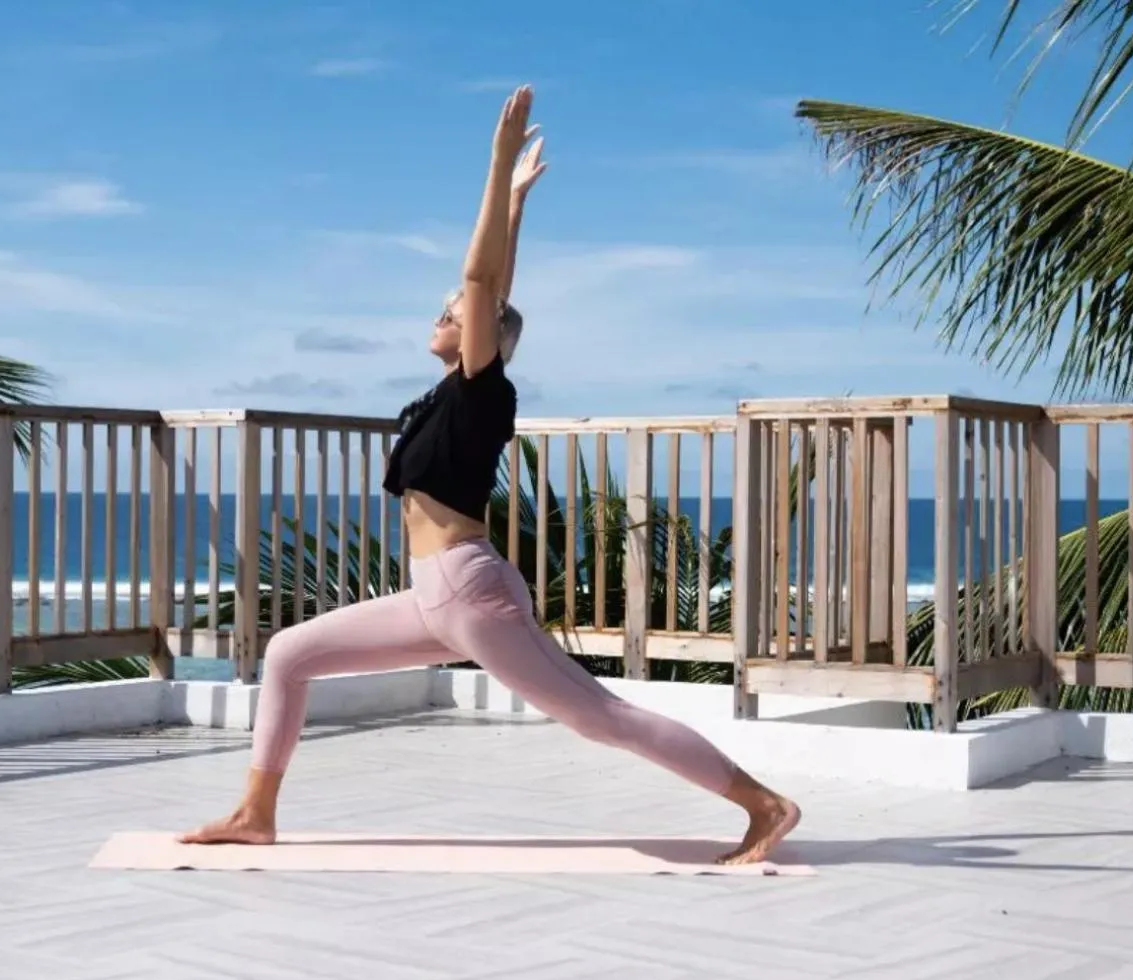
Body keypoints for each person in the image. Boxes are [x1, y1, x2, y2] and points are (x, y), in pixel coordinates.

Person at [179, 85, 800, 865]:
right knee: (288, 654)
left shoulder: (483, 391)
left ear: (486, 338)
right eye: (445, 309)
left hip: (471, 592)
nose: (443, 313)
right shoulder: (445, 396)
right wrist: (513, 204)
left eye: (455, 313)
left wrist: (497, 162)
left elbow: (482, 286)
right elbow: (487, 285)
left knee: (597, 717)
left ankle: (764, 804)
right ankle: (253, 813)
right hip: (433, 596)